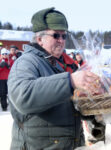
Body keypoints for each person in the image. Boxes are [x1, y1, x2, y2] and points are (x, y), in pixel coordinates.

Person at [8, 7, 101, 150]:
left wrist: (88, 104)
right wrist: (70, 81)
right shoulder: (27, 62)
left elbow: (61, 105)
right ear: (40, 39)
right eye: (56, 35)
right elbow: (23, 96)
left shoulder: (59, 63)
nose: (61, 41)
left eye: (64, 36)